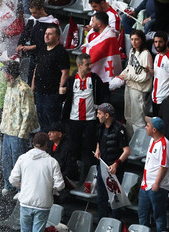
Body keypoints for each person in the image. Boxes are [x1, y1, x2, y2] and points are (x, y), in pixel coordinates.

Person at [9, 131, 65, 232]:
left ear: (33, 143)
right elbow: (60, 185)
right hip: (43, 204)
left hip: (25, 202)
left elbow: (12, 179)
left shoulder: (23, 158)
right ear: (46, 144)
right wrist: (51, 189)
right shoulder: (52, 162)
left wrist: (22, 187)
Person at [62, 53, 107, 184]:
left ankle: (88, 180)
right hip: (73, 121)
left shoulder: (95, 79)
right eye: (87, 64)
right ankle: (73, 178)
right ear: (79, 65)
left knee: (89, 151)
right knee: (72, 150)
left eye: (90, 64)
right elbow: (64, 97)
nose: (90, 67)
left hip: (90, 122)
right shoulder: (71, 80)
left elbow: (103, 96)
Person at [0, 61, 38, 195]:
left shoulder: (24, 88)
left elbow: (28, 112)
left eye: (4, 72)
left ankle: (20, 189)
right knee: (6, 160)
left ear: (9, 74)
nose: (3, 74)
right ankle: (9, 185)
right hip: (7, 130)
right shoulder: (9, 86)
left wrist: (22, 133)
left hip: (18, 132)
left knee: (18, 162)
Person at [94, 102, 129, 218]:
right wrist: (98, 150)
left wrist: (116, 164)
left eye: (99, 113)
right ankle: (101, 221)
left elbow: (127, 151)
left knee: (115, 200)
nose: (97, 116)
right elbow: (98, 141)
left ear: (107, 115)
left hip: (115, 170)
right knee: (101, 198)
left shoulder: (119, 129)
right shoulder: (100, 127)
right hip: (102, 167)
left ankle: (115, 223)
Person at [32, 25, 70, 133]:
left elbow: (65, 72)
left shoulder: (61, 52)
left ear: (57, 36)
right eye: (45, 33)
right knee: (42, 121)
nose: (46, 36)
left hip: (52, 94)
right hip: (40, 92)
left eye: (50, 34)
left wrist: (60, 88)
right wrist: (32, 87)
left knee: (53, 123)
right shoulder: (42, 49)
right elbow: (36, 68)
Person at [118, 29, 153, 139]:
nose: (134, 42)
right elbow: (129, 67)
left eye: (137, 39)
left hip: (138, 89)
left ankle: (139, 143)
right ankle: (130, 141)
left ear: (142, 40)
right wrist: (122, 75)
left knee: (138, 119)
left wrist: (129, 77)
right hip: (129, 86)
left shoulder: (146, 54)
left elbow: (145, 76)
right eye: (132, 39)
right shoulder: (132, 51)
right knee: (128, 116)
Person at [139, 116, 169, 232]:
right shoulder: (152, 140)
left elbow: (164, 166)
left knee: (159, 217)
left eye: (148, 125)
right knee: (142, 216)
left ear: (154, 130)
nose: (145, 127)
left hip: (157, 187)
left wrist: (156, 184)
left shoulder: (164, 144)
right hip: (145, 185)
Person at [16, 0, 58, 83]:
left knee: (41, 80)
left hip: (46, 56)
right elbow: (25, 33)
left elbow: (49, 43)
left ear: (41, 9)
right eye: (31, 13)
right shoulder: (33, 19)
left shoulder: (51, 23)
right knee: (30, 78)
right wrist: (20, 44)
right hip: (34, 55)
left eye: (34, 13)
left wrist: (31, 47)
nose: (32, 15)